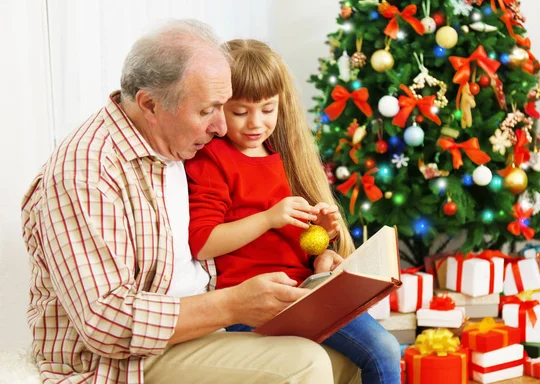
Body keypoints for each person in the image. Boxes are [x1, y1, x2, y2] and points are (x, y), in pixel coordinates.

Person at [21, 19, 361, 384]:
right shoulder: (85, 173)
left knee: (348, 361)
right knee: (305, 363)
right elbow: (104, 322)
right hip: (125, 361)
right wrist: (232, 304)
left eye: (222, 107)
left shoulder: (177, 145)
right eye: (206, 111)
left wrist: (317, 258)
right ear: (150, 104)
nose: (220, 127)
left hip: (203, 331)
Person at [185, 39, 402, 384]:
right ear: (219, 107)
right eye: (240, 112)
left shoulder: (281, 155)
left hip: (306, 289)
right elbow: (202, 241)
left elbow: (293, 242)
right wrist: (270, 217)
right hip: (257, 301)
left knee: (388, 349)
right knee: (383, 351)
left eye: (267, 109)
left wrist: (323, 243)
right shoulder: (213, 159)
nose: (255, 123)